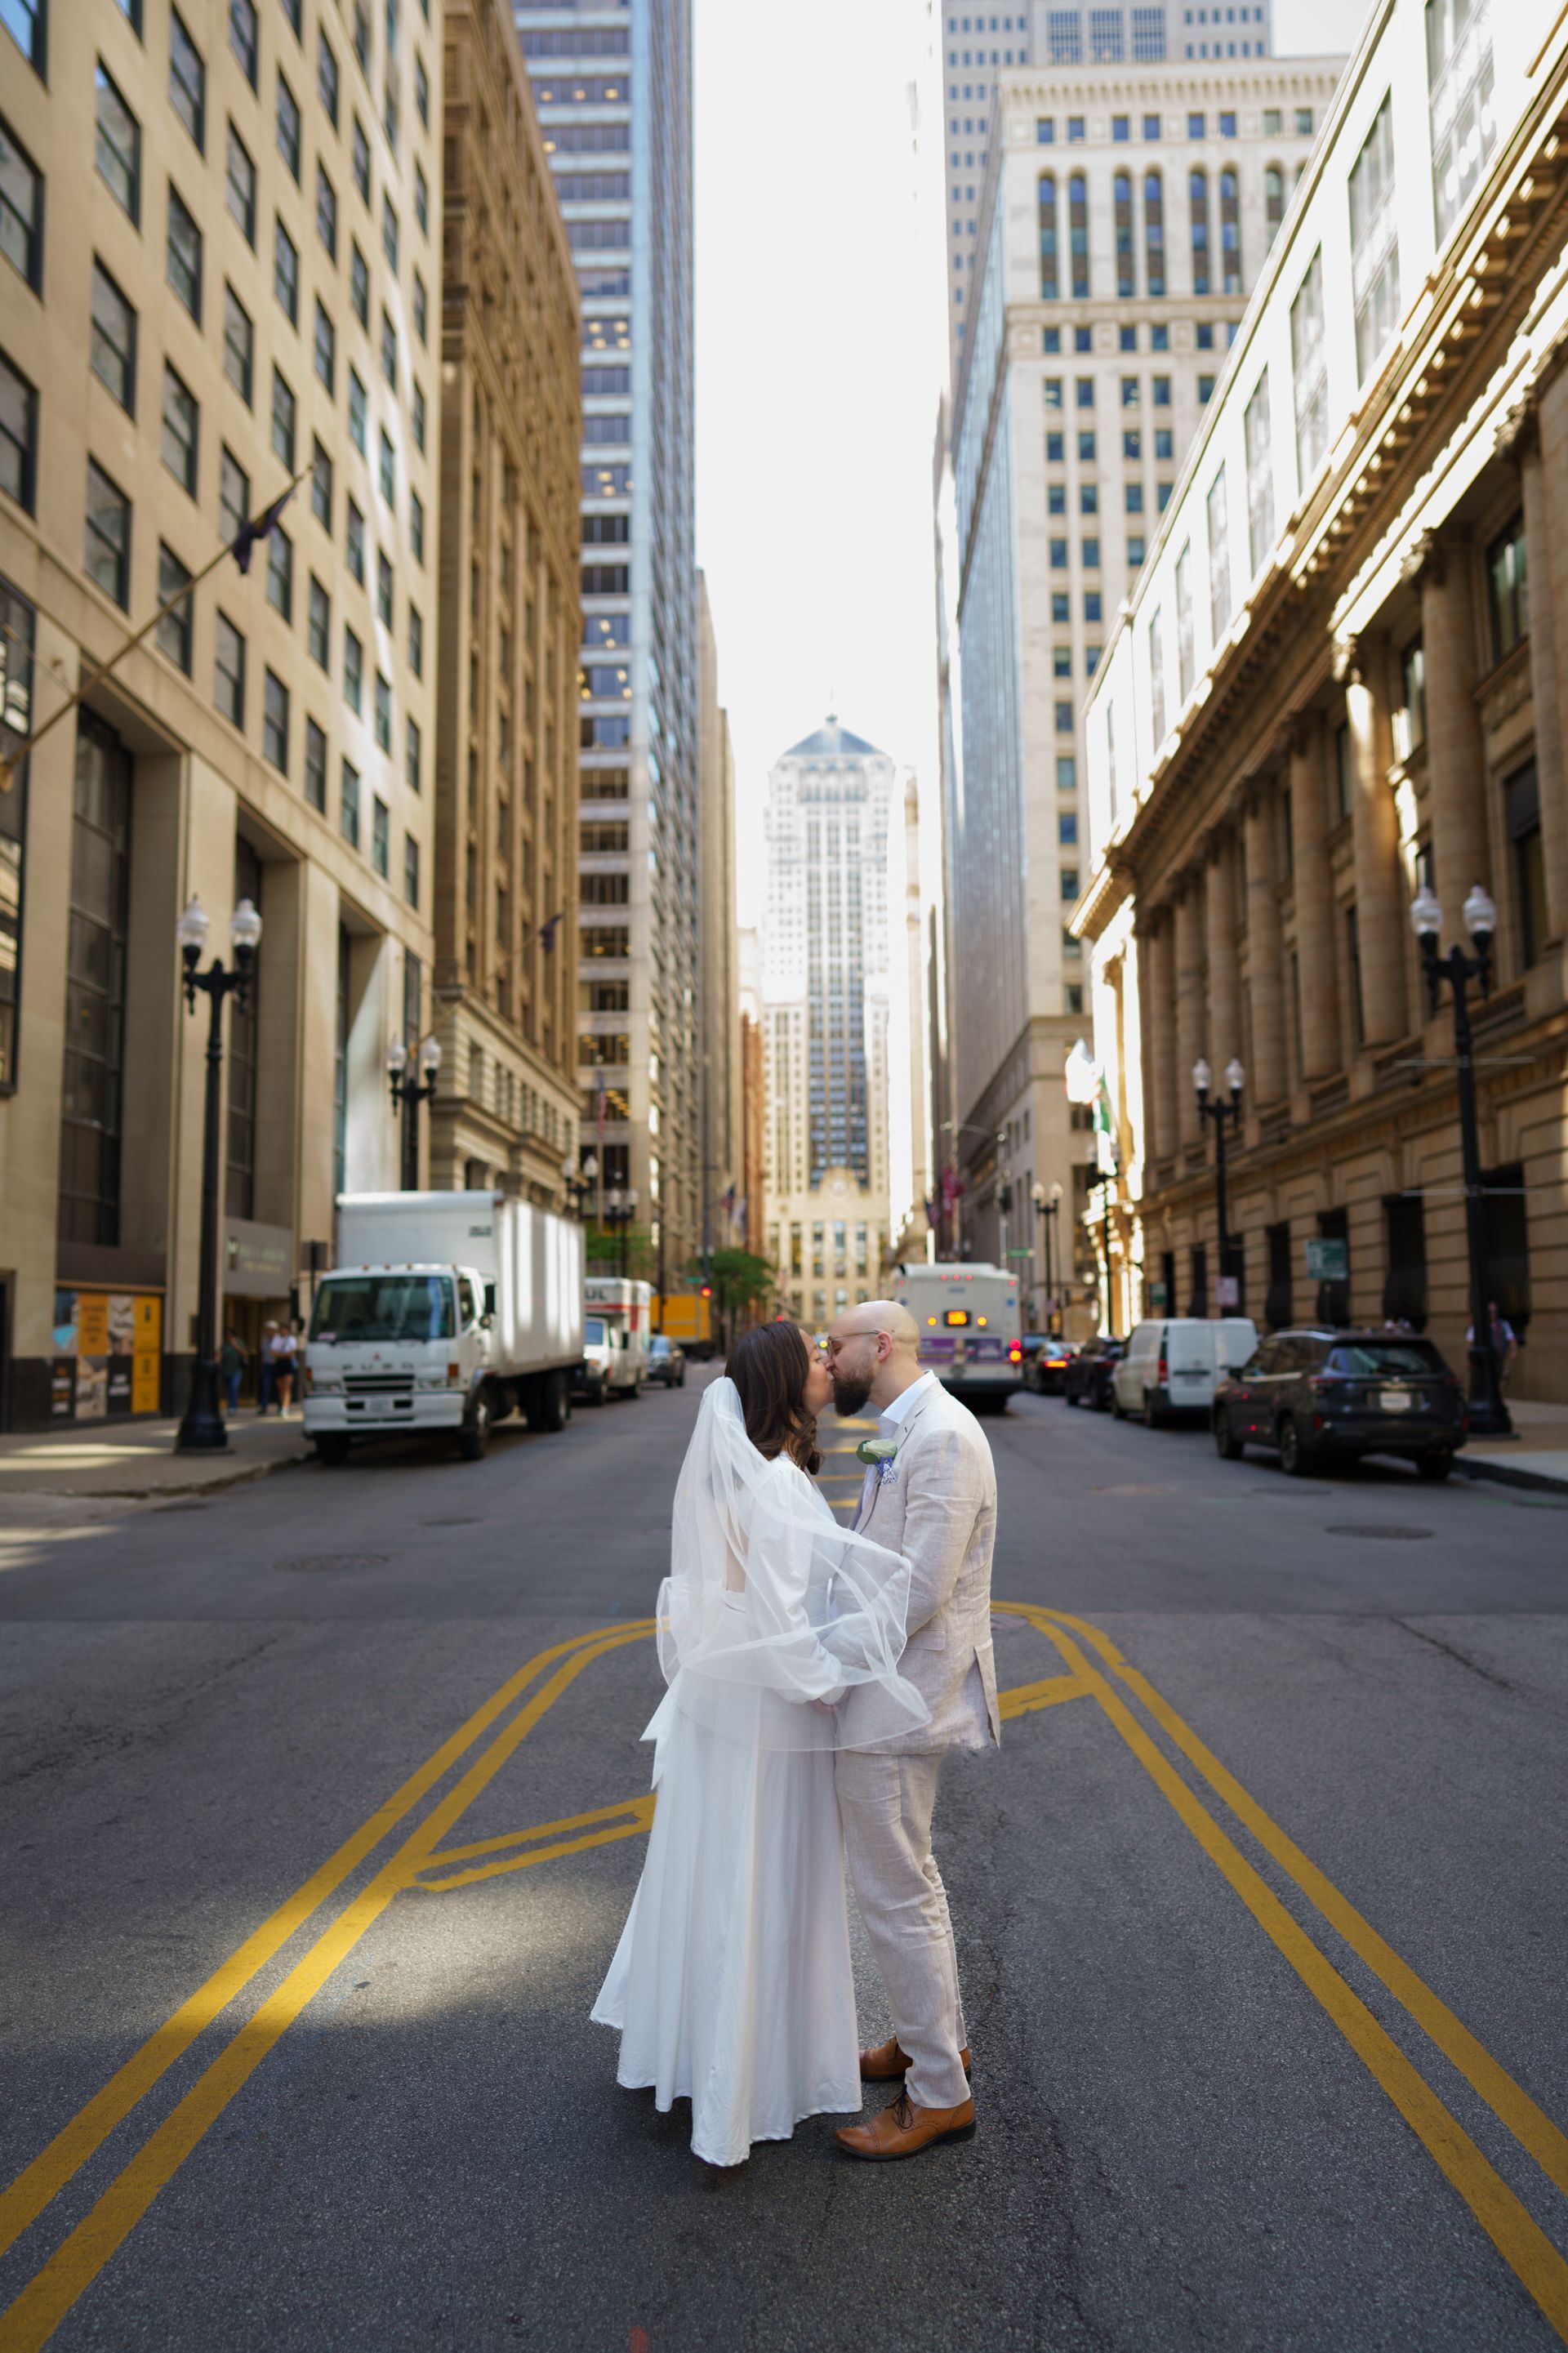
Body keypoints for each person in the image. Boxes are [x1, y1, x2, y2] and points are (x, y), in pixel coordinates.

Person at [592, 1323, 929, 2168]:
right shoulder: (773, 1484)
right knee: (758, 1884)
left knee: (713, 1877)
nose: (827, 1362)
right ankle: (745, 2080)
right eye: (814, 1357)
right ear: (785, 1380)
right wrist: (829, 1682)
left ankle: (700, 2053)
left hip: (723, 1715)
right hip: (766, 1730)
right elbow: (783, 1626)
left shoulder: (747, 1472)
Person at [823, 1300, 1000, 2163]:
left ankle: (937, 2095)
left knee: (895, 1890)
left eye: (837, 1344)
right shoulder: (907, 1428)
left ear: (880, 1346)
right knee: (908, 1880)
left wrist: (831, 1664)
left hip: (900, 1697)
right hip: (888, 1688)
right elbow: (874, 1557)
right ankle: (931, 2040)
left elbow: (919, 1589)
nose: (829, 1358)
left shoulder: (943, 1436)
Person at [1467, 1299, 1519, 1389]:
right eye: (1491, 1312)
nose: (1493, 1314)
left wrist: (1514, 1350)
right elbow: (1470, 1342)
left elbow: (1511, 1338)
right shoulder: (1478, 1325)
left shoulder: (1503, 1324)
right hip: (1484, 1359)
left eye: (1495, 1311)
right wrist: (1471, 1359)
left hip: (1499, 1356)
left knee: (1499, 1377)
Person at [271, 1321, 299, 1418]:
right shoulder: (276, 1338)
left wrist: (280, 1355)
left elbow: (291, 1354)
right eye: (281, 1330)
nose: (282, 1331)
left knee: (287, 1387)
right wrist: (283, 1355)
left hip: (288, 1364)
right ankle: (281, 1405)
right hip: (279, 1364)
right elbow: (273, 1352)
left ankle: (285, 1408)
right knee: (281, 1388)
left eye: (284, 1330)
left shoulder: (291, 1339)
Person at [220, 1328, 247, 1415]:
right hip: (227, 1370)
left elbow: (245, 1353)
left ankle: (233, 1406)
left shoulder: (239, 1342)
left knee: (234, 1386)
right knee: (229, 1389)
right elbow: (220, 1354)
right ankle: (231, 1406)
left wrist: (236, 1346)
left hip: (237, 1369)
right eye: (227, 1335)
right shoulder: (225, 1345)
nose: (228, 1336)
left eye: (230, 1334)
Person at [256, 1321, 278, 1415]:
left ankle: (281, 1406)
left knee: (278, 1387)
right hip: (267, 1365)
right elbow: (263, 1353)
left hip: (277, 1365)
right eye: (267, 1330)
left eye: (271, 1330)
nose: (269, 1332)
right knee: (266, 1386)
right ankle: (264, 1406)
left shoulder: (278, 1339)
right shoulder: (264, 1340)